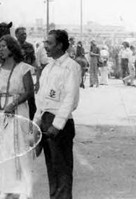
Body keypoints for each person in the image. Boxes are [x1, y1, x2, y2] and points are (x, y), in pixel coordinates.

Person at [34, 29, 81, 199]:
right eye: (45, 43)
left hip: (60, 124)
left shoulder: (72, 67)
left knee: (62, 170)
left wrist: (57, 125)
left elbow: (70, 99)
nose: (45, 46)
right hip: (46, 120)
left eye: (49, 43)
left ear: (60, 45)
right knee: (52, 168)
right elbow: (41, 98)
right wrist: (36, 122)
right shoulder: (48, 67)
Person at [0, 35, 34, 199]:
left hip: (18, 110)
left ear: (13, 48)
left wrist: (13, 104)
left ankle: (23, 189)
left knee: (19, 147)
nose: (0, 49)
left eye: (4, 46)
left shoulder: (24, 68)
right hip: (1, 112)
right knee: (2, 150)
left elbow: (29, 91)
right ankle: (5, 187)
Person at [15, 27, 37, 119]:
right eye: (21, 34)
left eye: (25, 34)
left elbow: (33, 60)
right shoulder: (13, 46)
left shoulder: (30, 46)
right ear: (16, 35)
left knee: (31, 98)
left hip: (27, 75)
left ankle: (31, 121)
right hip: (15, 75)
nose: (24, 36)